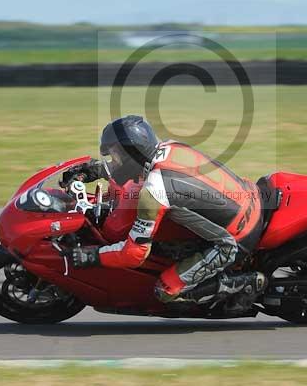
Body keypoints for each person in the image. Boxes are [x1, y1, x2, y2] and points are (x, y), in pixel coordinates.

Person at [61, 115, 265, 306]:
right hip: (248, 197)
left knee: (163, 291)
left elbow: (134, 254)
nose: (114, 161)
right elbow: (132, 166)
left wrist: (93, 256)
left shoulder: (155, 191)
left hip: (234, 240)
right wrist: (92, 171)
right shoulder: (168, 147)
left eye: (116, 156)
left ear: (132, 154)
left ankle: (240, 284)